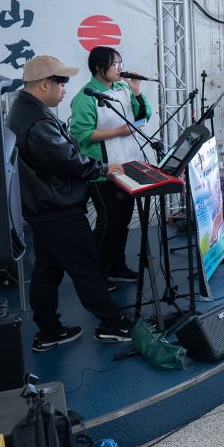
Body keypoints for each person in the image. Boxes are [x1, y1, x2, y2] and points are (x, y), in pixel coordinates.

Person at [5, 55, 133, 352]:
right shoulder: (37, 120)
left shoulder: (24, 109)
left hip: (43, 206)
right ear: (44, 84)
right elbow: (68, 161)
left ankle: (49, 331)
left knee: (47, 271)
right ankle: (111, 325)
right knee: (86, 268)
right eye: (61, 83)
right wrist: (105, 168)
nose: (64, 89)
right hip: (57, 207)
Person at [69, 46, 152, 286]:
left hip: (129, 164)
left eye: (120, 63)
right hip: (104, 171)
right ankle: (97, 274)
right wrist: (118, 132)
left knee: (122, 221)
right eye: (115, 64)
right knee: (109, 223)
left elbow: (143, 116)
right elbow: (83, 134)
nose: (119, 68)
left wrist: (136, 91)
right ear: (99, 67)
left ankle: (117, 266)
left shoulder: (122, 88)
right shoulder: (85, 97)